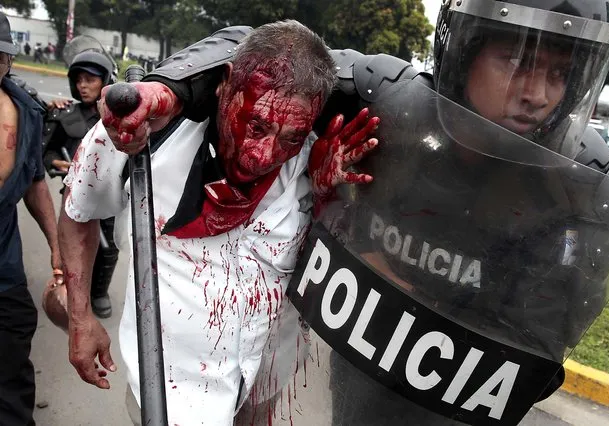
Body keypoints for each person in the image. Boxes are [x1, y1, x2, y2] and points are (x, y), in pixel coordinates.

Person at [102, 1, 609, 425]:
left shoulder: (584, 190)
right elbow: (264, 54)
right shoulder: (388, 102)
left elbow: (536, 349)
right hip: (338, 378)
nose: (537, 94)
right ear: (466, 47)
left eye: (561, 72)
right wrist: (173, 88)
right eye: (516, 60)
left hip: (446, 408)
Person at [58, 20, 377, 425]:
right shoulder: (138, 133)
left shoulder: (315, 157)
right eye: (256, 125)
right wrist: (81, 318)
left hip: (262, 389)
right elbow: (77, 214)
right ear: (225, 84)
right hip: (168, 398)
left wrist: (327, 195)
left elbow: (322, 275)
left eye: (289, 137)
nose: (263, 154)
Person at [0, 12, 62, 426]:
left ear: (7, 60)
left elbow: (35, 182)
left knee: (11, 376)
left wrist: (59, 248)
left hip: (4, 274)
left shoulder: (26, 111)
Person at [43, 50, 118, 318]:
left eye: (90, 80)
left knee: (109, 248)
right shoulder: (66, 115)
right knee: (72, 244)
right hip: (73, 195)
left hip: (109, 195)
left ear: (105, 80)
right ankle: (75, 291)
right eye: (79, 80)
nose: (83, 86)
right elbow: (48, 151)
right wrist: (58, 165)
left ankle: (99, 291)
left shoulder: (116, 115)